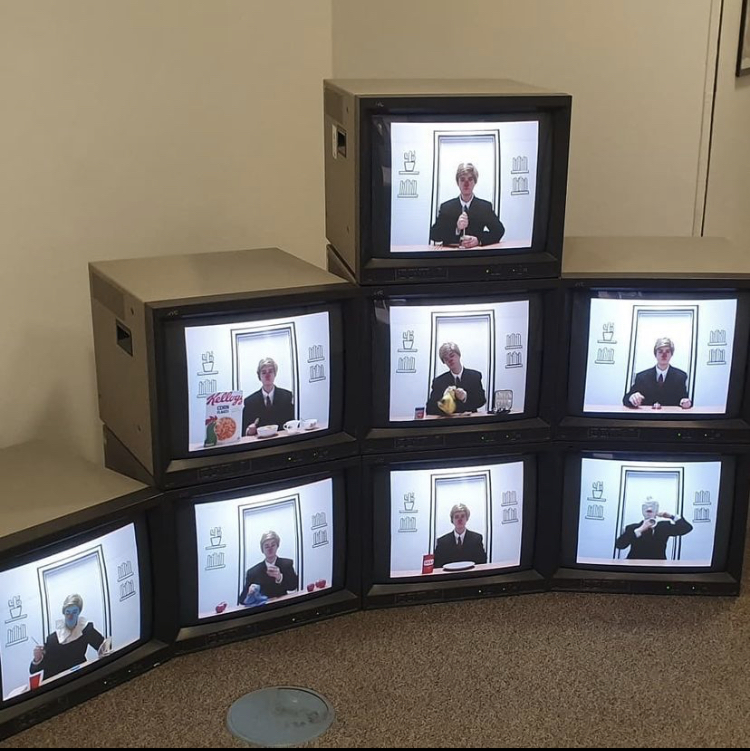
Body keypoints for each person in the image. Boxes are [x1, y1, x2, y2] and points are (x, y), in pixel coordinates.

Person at [30, 594, 111, 680]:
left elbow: (104, 647)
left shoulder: (86, 629)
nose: (70, 616)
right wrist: (37, 659)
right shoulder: (53, 639)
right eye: (68, 612)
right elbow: (34, 670)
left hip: (82, 676)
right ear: (64, 613)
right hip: (60, 681)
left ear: (79, 612)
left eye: (74, 612)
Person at [429, 162, 505, 248]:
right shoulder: (446, 208)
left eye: (470, 179)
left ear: (475, 182)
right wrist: (457, 229)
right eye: (462, 180)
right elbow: (434, 234)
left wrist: (479, 240)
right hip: (451, 254)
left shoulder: (484, 207)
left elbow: (499, 231)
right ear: (457, 182)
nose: (466, 184)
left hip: (476, 254)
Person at [622, 337, 692, 409]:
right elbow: (626, 399)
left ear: (671, 354)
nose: (664, 355)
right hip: (647, 415)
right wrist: (632, 398)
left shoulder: (680, 376)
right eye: (660, 351)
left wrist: (686, 403)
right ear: (655, 354)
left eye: (667, 351)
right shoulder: (642, 377)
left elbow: (685, 399)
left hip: (669, 415)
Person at [615, 498, 693, 560]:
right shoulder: (632, 528)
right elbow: (620, 545)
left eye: (653, 506)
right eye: (645, 506)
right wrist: (640, 529)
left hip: (658, 567)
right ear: (642, 510)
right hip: (635, 567)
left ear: (657, 509)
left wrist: (671, 516)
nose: (649, 508)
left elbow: (687, 528)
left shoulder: (664, 526)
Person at [426, 342, 486, 416]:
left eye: (452, 355)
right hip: (449, 422)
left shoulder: (474, 376)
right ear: (444, 362)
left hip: (470, 421)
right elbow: (429, 409)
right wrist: (443, 401)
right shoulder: (439, 382)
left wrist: (465, 397)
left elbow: (481, 401)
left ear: (459, 355)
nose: (450, 360)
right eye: (446, 359)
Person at [238, 530, 299, 602]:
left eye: (273, 545)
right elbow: (241, 599)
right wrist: (249, 593)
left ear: (277, 546)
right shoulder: (253, 572)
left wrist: (280, 578)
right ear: (262, 549)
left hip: (283, 605)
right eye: (266, 546)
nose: (270, 549)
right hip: (263, 607)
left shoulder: (286, 564)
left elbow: (294, 586)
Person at [242, 357, 295, 435]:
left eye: (270, 371)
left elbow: (292, 423)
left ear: (275, 374)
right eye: (264, 372)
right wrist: (248, 431)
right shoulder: (249, 402)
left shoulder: (287, 396)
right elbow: (243, 430)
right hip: (260, 441)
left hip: (283, 440)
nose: (267, 375)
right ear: (259, 376)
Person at [433, 503, 488, 568]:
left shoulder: (476, 539)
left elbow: (482, 562)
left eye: (462, 516)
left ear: (467, 518)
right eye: (456, 517)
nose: (460, 520)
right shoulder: (442, 542)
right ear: (452, 520)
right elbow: (437, 564)